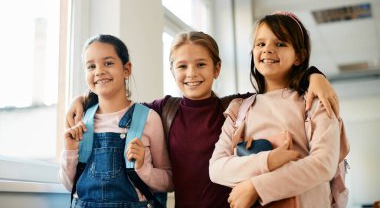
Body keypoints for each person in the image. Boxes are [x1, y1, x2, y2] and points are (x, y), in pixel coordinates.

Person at [65, 31, 340, 208]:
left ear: (216, 68)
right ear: (173, 72)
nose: (191, 73)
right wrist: (84, 99)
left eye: (201, 64)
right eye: (182, 66)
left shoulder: (237, 106)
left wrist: (314, 75)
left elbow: (273, 87)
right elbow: (116, 106)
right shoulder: (163, 110)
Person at [209, 12, 345, 207]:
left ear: (299, 56)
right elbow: (217, 169)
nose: (268, 50)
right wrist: (270, 160)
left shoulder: (315, 101)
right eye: (260, 44)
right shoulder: (239, 108)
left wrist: (257, 186)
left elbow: (324, 164)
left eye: (280, 43)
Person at [58, 35, 173, 208]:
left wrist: (143, 168)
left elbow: (169, 182)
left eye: (108, 63)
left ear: (126, 69)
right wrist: (70, 151)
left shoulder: (148, 118)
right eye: (91, 66)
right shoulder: (80, 120)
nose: (99, 71)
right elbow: (69, 185)